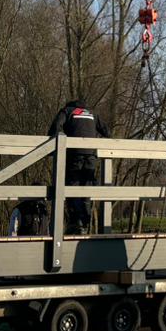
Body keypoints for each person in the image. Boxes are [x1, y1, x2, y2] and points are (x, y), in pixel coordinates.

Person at [49, 100, 109, 234]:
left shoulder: (67, 111)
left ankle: (76, 223)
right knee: (86, 189)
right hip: (91, 157)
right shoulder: (92, 113)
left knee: (72, 187)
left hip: (74, 156)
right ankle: (85, 224)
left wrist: (58, 143)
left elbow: (55, 128)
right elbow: (106, 131)